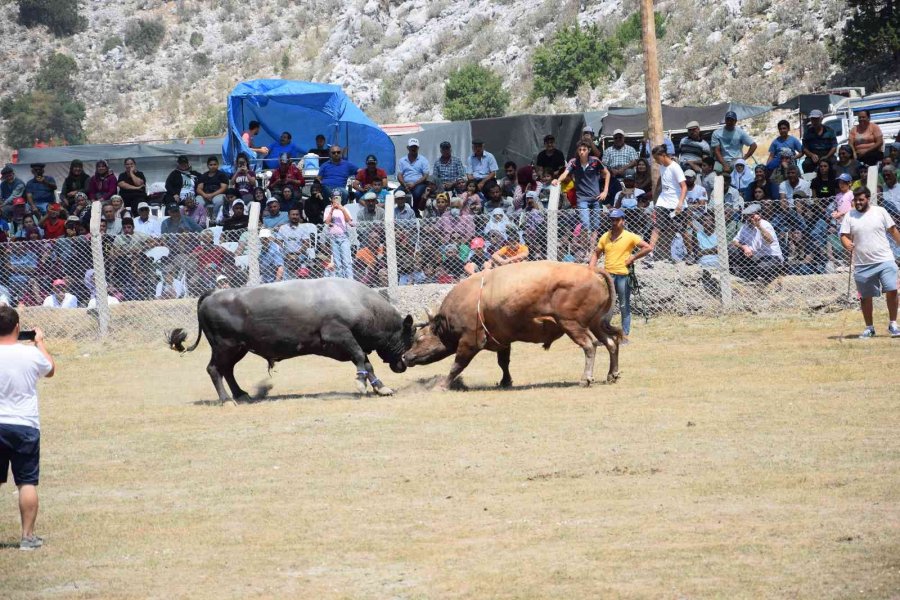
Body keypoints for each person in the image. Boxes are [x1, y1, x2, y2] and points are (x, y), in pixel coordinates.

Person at [0, 307, 55, 550]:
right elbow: (50, 369)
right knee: (26, 482)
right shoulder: (30, 354)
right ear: (17, 327)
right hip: (24, 424)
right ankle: (27, 537)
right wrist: (39, 342)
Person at [839, 186, 900, 338]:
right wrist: (846, 243)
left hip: (885, 259)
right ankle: (869, 328)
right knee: (865, 297)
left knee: (892, 290)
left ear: (868, 198)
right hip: (862, 263)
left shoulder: (880, 211)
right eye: (856, 200)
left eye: (861, 199)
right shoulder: (849, 216)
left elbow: (893, 230)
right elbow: (843, 235)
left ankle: (893, 324)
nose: (858, 202)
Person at [589, 208, 653, 342]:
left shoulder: (630, 236)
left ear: (623, 221)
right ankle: (604, 335)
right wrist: (590, 270)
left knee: (624, 305)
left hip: (623, 275)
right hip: (608, 276)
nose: (614, 222)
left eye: (617, 220)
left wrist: (633, 258)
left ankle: (624, 335)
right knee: (606, 307)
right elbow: (596, 253)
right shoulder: (605, 236)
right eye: (612, 220)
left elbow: (648, 247)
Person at [552, 141, 610, 237]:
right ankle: (585, 246)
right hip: (582, 198)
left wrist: (605, 191)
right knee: (585, 224)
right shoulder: (573, 162)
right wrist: (557, 180)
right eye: (580, 150)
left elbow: (607, 173)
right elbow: (565, 173)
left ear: (589, 150)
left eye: (584, 150)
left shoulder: (595, 161)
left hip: (596, 198)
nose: (581, 152)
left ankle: (591, 246)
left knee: (596, 226)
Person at [650, 144, 687, 262]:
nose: (656, 161)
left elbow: (684, 187)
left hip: (676, 203)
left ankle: (691, 252)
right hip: (663, 201)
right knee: (657, 227)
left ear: (663, 155)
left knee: (682, 230)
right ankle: (650, 253)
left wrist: (680, 203)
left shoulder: (675, 167)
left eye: (657, 158)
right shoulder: (662, 166)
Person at [730, 203, 783, 282]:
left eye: (751, 216)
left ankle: (752, 275)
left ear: (758, 215)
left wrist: (759, 226)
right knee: (731, 249)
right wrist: (743, 247)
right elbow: (734, 241)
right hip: (754, 257)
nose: (749, 218)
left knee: (762, 267)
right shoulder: (745, 226)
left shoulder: (765, 225)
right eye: (747, 216)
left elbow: (770, 240)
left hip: (771, 257)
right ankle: (747, 274)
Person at [324, 190, 354, 279]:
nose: (336, 200)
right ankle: (340, 281)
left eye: (338, 198)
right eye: (334, 198)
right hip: (333, 238)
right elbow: (327, 222)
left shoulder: (344, 208)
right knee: (337, 263)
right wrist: (332, 210)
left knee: (347, 261)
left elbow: (349, 221)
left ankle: (350, 280)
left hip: (344, 237)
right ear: (331, 199)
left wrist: (342, 209)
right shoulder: (328, 209)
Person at [397, 138, 430, 212]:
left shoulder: (423, 160)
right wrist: (404, 184)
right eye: (412, 147)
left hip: (419, 183)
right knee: (397, 193)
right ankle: (404, 211)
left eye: (415, 147)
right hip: (405, 184)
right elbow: (399, 175)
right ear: (408, 147)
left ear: (418, 148)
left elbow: (425, 176)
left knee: (417, 194)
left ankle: (415, 211)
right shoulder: (402, 160)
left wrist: (414, 184)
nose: (413, 148)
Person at [801, 109, 838, 174]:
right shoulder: (807, 132)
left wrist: (827, 156)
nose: (814, 121)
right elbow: (804, 148)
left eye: (816, 119)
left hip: (827, 154)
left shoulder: (829, 131)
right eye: (812, 119)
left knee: (834, 165)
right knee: (806, 164)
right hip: (813, 154)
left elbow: (834, 146)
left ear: (821, 119)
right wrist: (811, 155)